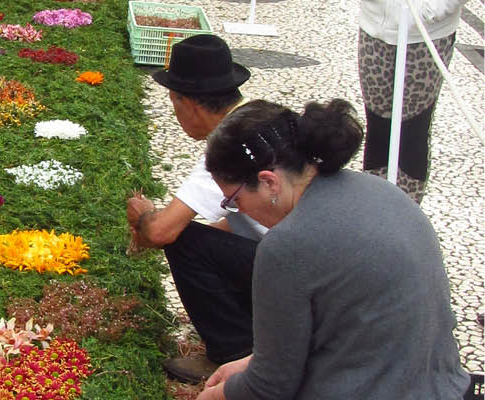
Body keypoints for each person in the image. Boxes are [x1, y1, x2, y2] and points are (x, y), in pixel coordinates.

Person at [197, 99, 469, 399]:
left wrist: (214, 396)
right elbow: (357, 330)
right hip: (445, 387)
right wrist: (250, 364)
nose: (240, 211)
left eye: (234, 200)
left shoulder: (287, 245)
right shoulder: (381, 191)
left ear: (268, 183)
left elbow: (269, 388)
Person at [124, 34, 262, 383]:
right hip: (311, 260)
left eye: (174, 102)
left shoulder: (228, 143)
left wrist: (143, 215)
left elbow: (161, 231)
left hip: (293, 267)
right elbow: (247, 222)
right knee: (201, 239)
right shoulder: (262, 115)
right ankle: (258, 328)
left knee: (181, 241)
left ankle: (232, 352)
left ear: (190, 104)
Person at [358, 0, 467, 203]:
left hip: (427, 35)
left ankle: (406, 212)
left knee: (411, 132)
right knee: (378, 130)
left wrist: (429, 9)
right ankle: (373, 209)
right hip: (374, 27)